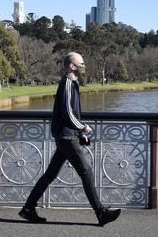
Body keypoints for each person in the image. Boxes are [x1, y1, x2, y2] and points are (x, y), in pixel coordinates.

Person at [19, 52, 121, 226]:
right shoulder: (67, 82)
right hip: (66, 137)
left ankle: (28, 208)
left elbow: (72, 112)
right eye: (81, 64)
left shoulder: (73, 83)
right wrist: (81, 127)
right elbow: (67, 112)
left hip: (68, 135)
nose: (83, 66)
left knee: (50, 174)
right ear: (72, 66)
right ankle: (101, 213)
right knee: (86, 172)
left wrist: (79, 131)